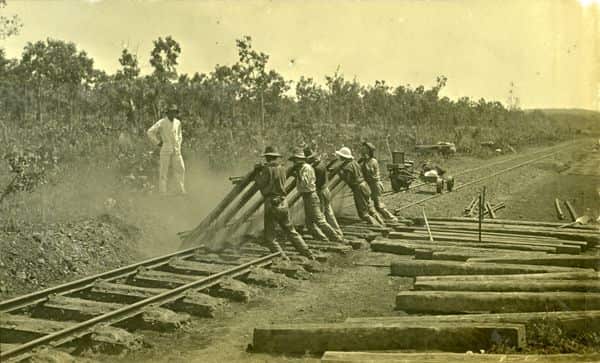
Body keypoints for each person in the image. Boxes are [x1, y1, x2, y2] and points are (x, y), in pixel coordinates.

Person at [254, 146, 315, 261]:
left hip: (271, 202)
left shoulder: (267, 170)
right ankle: (308, 252)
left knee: (270, 236)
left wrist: (257, 173)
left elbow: (261, 184)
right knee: (291, 231)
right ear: (276, 157)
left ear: (267, 157)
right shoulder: (282, 168)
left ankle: (282, 256)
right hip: (283, 201)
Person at [289, 147, 343, 243]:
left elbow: (305, 182)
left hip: (311, 196)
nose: (294, 162)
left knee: (320, 220)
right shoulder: (305, 167)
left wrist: (298, 174)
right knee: (310, 222)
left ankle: (337, 238)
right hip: (308, 196)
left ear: (300, 160)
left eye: (295, 160)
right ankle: (323, 239)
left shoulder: (306, 168)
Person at [335, 146, 384, 226]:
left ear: (343, 157)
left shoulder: (347, 167)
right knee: (370, 207)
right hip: (365, 185)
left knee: (363, 213)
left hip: (358, 188)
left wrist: (340, 172)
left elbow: (348, 179)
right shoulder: (354, 163)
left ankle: (377, 226)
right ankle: (381, 222)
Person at [147, 104, 186, 195]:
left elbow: (179, 135)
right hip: (166, 148)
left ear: (176, 113)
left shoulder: (178, 122)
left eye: (174, 112)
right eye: (170, 112)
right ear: (167, 113)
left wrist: (179, 144)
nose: (172, 114)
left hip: (176, 149)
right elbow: (150, 132)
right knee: (163, 171)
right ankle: (163, 192)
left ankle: (181, 189)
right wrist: (157, 142)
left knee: (181, 168)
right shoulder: (162, 122)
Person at [304, 147, 343, 237]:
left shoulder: (314, 168)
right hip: (326, 190)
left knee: (321, 213)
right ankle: (337, 230)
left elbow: (312, 182)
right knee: (329, 212)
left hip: (320, 191)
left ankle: (329, 233)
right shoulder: (322, 164)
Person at [359, 141, 398, 222]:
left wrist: (365, 162)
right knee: (368, 204)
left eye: (365, 149)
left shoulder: (373, 161)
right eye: (362, 149)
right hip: (369, 185)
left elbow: (370, 173)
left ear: (369, 151)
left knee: (378, 205)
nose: (362, 150)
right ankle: (377, 219)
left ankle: (392, 218)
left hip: (375, 185)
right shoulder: (365, 160)